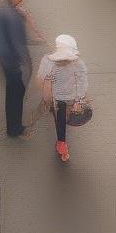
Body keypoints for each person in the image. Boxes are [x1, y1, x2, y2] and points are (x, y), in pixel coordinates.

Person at [0, 0, 32, 137]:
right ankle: (14, 128)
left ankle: (14, 125)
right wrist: (21, 61)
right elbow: (12, 43)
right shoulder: (9, 15)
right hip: (12, 64)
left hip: (10, 63)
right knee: (16, 93)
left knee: (15, 92)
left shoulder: (5, 10)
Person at [37, 34, 88, 162]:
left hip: (56, 97)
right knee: (62, 119)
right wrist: (79, 100)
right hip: (70, 96)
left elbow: (41, 79)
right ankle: (62, 146)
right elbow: (82, 81)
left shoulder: (47, 61)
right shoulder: (78, 62)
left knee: (59, 119)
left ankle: (62, 144)